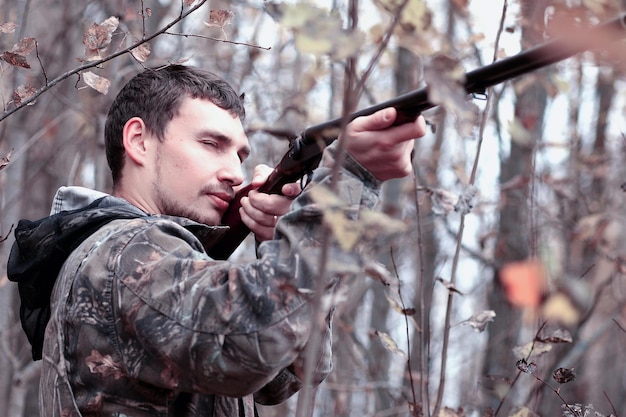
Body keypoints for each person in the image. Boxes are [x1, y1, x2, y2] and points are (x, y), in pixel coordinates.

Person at [7, 64, 426, 417]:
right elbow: (257, 340)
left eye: (240, 155)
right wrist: (345, 182)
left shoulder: (117, 252)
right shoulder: (124, 250)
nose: (235, 174)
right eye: (211, 144)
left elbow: (285, 375)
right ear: (138, 141)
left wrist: (280, 242)